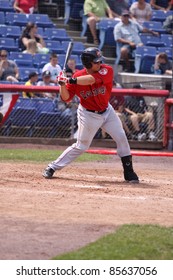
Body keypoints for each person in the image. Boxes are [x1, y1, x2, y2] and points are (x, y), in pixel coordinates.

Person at [42, 47, 139, 183]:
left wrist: (70, 80)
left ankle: (129, 173)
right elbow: (66, 98)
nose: (100, 64)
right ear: (88, 64)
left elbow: (91, 80)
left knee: (122, 137)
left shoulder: (106, 70)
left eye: (100, 61)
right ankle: (52, 167)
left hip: (107, 111)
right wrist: (62, 84)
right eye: (96, 62)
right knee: (82, 146)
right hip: (88, 115)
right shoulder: (76, 77)